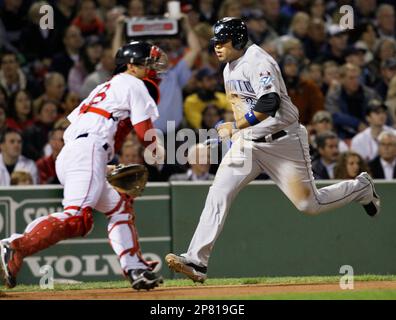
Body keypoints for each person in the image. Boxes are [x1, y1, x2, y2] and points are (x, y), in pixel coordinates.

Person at [165, 18, 380, 283]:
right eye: (215, 43)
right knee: (219, 191)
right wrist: (238, 134)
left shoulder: (258, 60)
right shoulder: (227, 68)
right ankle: (197, 261)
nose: (217, 48)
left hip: (283, 142)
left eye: (222, 42)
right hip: (250, 144)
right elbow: (244, 109)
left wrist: (236, 126)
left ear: (239, 40)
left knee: (308, 205)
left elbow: (269, 103)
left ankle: (361, 187)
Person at [0, 41, 166, 290]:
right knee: (77, 218)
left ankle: (135, 268)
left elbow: (80, 128)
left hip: (75, 154)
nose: (152, 68)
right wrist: (159, 152)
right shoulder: (134, 83)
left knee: (119, 204)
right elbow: (145, 133)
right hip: (88, 151)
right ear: (131, 66)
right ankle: (15, 245)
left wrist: (101, 166)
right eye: (148, 63)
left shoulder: (104, 87)